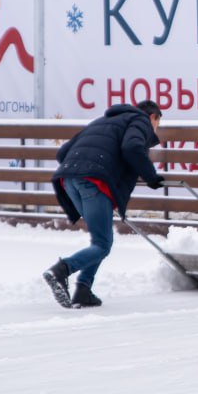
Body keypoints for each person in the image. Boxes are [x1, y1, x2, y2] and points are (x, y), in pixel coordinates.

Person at [43, 99, 166, 308]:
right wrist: (151, 176)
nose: (155, 129)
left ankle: (83, 288)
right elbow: (132, 147)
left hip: (69, 180)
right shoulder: (140, 121)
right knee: (102, 244)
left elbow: (62, 153)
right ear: (153, 117)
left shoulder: (103, 121)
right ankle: (62, 270)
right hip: (93, 182)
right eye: (158, 124)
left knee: (101, 240)